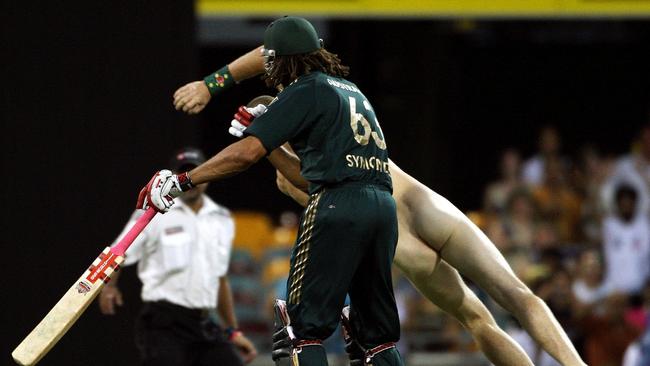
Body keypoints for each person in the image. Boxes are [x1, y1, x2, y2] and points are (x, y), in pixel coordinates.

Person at [172, 37, 588, 366]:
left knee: (478, 318)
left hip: (397, 229)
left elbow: (319, 193)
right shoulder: (335, 102)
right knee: (516, 296)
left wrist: (233, 110)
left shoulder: (293, 149)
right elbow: (279, 50)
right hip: (419, 200)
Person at [140, 16, 405, 366]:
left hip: (338, 205)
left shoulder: (305, 88)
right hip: (382, 209)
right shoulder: (351, 91)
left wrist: (183, 181)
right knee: (376, 339)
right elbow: (307, 178)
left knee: (298, 332)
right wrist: (272, 144)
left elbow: (245, 154)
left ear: (281, 60)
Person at [99, 147, 257, 366]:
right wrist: (109, 286)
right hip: (164, 324)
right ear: (174, 178)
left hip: (203, 322)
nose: (191, 180)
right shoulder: (153, 213)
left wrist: (232, 331)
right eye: (183, 173)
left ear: (208, 174)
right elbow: (120, 250)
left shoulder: (221, 219)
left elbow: (219, 278)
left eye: (196, 172)